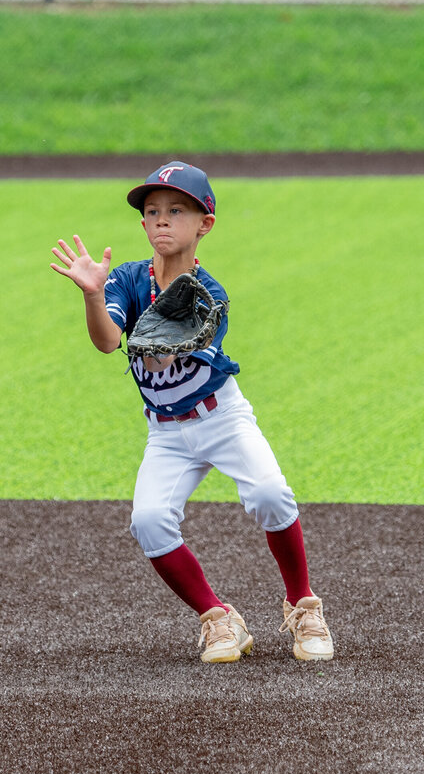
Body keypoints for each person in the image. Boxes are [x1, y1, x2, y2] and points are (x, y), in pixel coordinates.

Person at [50, 161, 334, 663]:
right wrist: (94, 295)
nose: (161, 220)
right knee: (150, 521)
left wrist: (141, 325)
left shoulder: (211, 294)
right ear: (142, 224)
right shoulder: (126, 280)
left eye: (176, 210)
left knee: (270, 493)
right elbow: (107, 340)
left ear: (204, 224)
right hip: (165, 433)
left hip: (221, 418)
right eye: (152, 211)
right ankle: (218, 618)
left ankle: (303, 605)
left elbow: (171, 345)